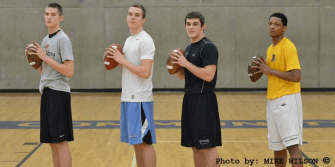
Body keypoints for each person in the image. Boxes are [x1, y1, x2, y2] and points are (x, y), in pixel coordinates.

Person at [106, 4, 156, 167]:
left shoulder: (146, 40)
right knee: (136, 142)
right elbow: (128, 67)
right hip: (127, 97)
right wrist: (116, 59)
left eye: (136, 15)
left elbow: (145, 72)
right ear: (126, 17)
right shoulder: (128, 40)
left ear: (143, 19)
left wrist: (122, 60)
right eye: (130, 14)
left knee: (145, 143)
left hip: (140, 98)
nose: (132, 17)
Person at [25, 3, 74, 167]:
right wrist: (35, 61)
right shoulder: (45, 40)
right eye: (46, 14)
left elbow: (69, 71)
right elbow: (45, 72)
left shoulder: (63, 39)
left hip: (59, 93)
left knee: (60, 141)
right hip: (46, 91)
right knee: (52, 142)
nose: (49, 17)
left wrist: (45, 58)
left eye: (53, 14)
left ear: (60, 18)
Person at [171, 11, 222, 167]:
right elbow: (183, 77)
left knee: (207, 147)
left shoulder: (208, 47)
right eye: (188, 24)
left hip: (204, 100)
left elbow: (209, 75)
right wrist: (175, 66)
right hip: (189, 98)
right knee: (195, 147)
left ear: (203, 26)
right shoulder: (188, 48)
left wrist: (185, 63)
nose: (191, 27)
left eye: (195, 24)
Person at [253, 12, 303, 167]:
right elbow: (271, 72)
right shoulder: (270, 49)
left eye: (277, 24)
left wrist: (269, 70)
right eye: (270, 24)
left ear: (284, 28)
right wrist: (261, 71)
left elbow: (296, 76)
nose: (272, 27)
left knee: (292, 146)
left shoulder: (288, 47)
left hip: (287, 100)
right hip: (273, 100)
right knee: (277, 146)